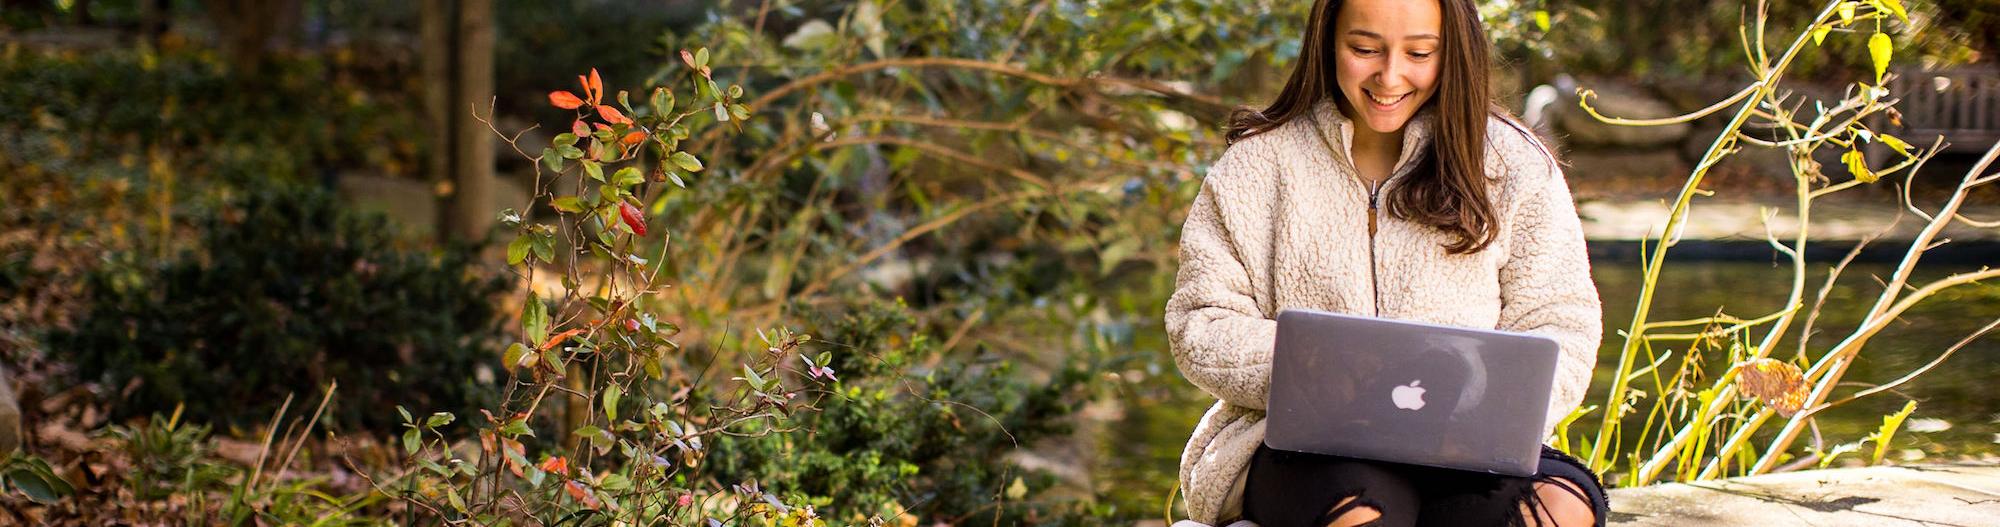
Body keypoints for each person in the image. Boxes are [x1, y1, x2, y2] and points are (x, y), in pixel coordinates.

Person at [1164, 0, 1607, 525]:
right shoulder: (1257, 167)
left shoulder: (1516, 166)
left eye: (1419, 52)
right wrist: (1325, 369)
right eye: (1365, 49)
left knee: (1559, 508)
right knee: (1362, 510)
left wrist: (1474, 399)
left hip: (1467, 439)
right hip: (1296, 443)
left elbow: (1562, 320)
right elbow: (1200, 322)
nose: (1390, 75)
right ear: (1328, 42)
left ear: (1454, 52)